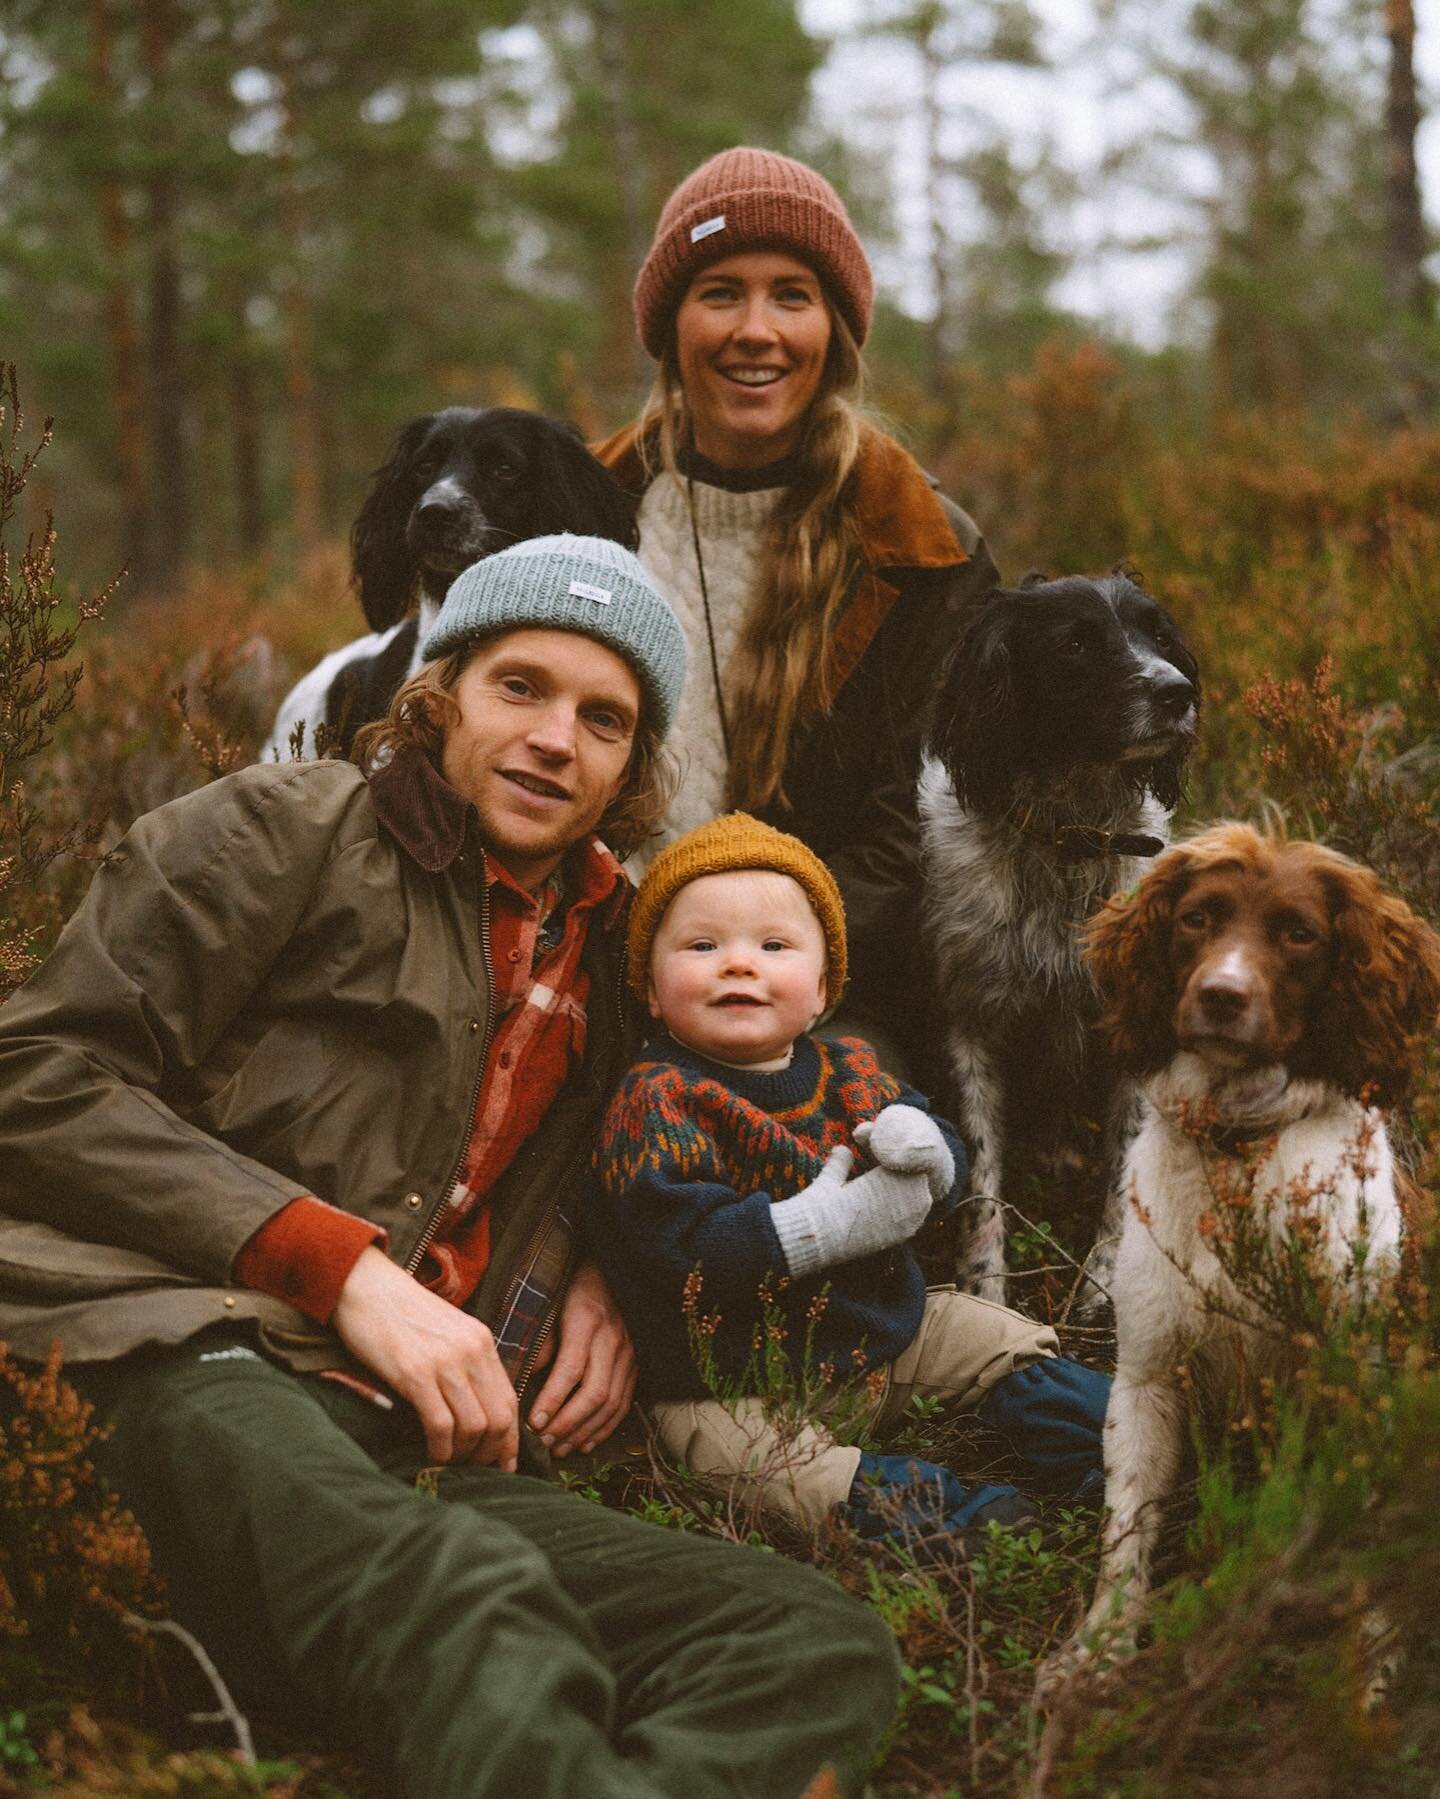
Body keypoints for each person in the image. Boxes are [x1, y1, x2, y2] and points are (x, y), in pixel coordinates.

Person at [0, 536, 901, 1799]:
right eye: (518, 687)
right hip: (177, 1352)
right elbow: (34, 1074)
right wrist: (341, 1269)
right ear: (440, 696)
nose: (553, 740)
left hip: (403, 1439)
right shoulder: (282, 828)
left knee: (808, 1642)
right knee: (464, 1603)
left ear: (635, 763)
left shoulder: (625, 962)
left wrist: (602, 1267)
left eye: (604, 717)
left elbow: (675, 1145)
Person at [587, 813, 1109, 1549]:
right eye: (703, 946)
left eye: (774, 946)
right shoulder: (658, 1098)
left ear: (825, 984)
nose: (739, 963)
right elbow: (673, 1245)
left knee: (986, 1333)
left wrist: (930, 1154)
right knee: (749, 1462)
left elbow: (943, 1163)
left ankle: (1109, 1440)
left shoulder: (853, 1070)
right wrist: (818, 1228)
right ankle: (938, 1514)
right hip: (731, 1379)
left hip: (877, 1338)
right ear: (649, 986)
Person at [595, 146, 1001, 1074]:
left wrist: (771, 986)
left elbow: (916, 826)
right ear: (669, 324)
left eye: (791, 294)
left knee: (869, 1165)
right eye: (719, 292)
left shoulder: (926, 546)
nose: (756, 330)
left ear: (836, 330)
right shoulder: (580, 506)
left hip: (826, 990)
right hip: (595, 968)